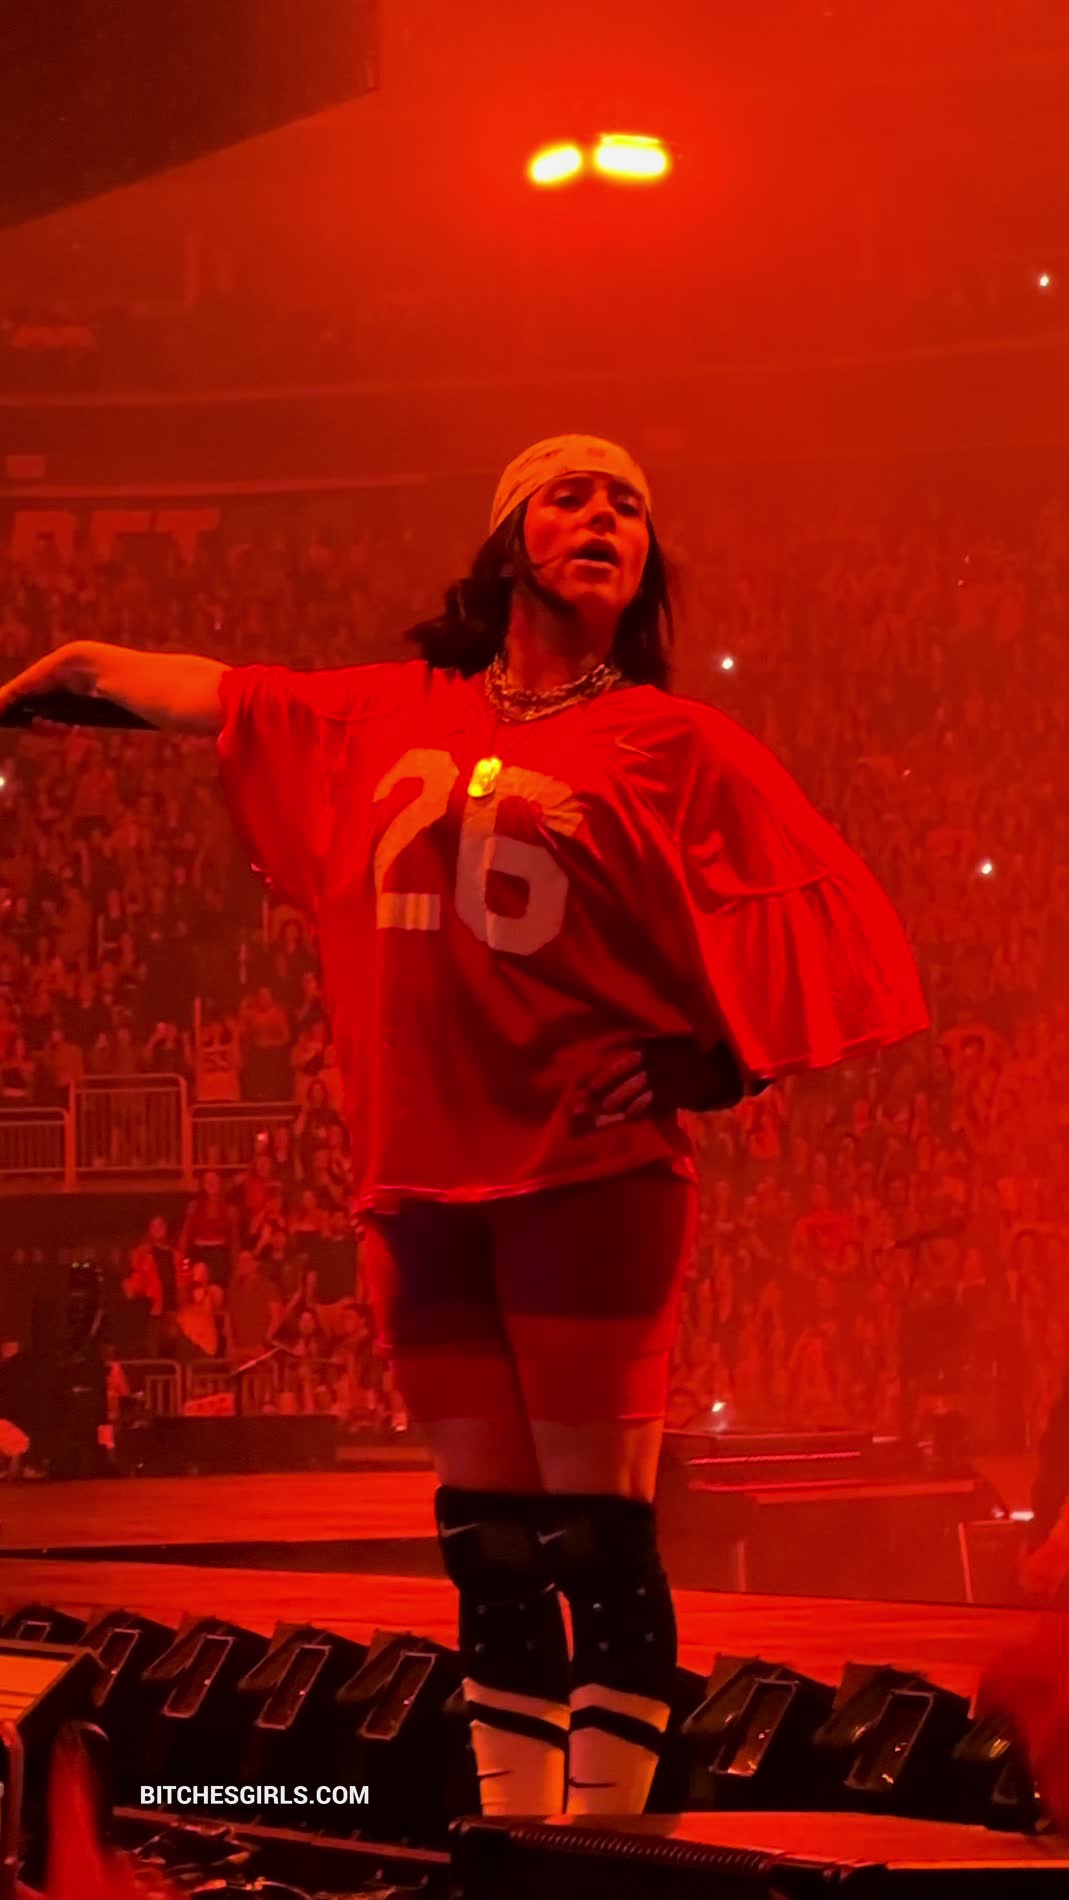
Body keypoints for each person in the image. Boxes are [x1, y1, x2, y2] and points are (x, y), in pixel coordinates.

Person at [0, 434, 929, 1818]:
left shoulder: (677, 741)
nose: (604, 515)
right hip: (418, 1182)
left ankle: (603, 1852)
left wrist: (714, 1066)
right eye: (570, 495)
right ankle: (514, 1834)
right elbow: (205, 693)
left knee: (595, 1533)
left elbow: (833, 911)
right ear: (507, 544)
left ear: (644, 564)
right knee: (488, 1544)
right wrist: (72, 665)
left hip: (584, 1175)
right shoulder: (388, 708)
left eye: (628, 505)